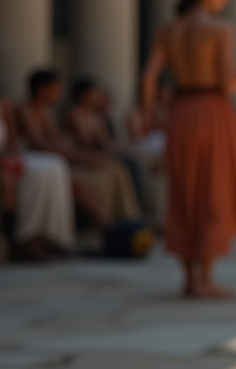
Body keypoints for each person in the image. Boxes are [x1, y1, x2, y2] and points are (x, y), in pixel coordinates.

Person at [141, 0, 236, 299]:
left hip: (181, 113)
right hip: (212, 112)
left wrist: (150, 115)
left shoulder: (169, 29)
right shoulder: (220, 28)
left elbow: (149, 77)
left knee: (183, 192)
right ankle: (205, 278)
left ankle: (187, 278)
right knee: (213, 191)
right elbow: (226, 82)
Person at [17, 69, 138, 228]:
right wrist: (91, 158)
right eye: (56, 87)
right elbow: (41, 145)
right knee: (100, 173)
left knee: (116, 168)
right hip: (44, 166)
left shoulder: (46, 114)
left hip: (59, 162)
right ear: (42, 88)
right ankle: (108, 227)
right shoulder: (26, 110)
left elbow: (58, 143)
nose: (59, 92)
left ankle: (127, 219)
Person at [0, 96, 74, 260]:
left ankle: (51, 238)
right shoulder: (25, 109)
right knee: (36, 174)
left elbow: (12, 143)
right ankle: (27, 239)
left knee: (55, 164)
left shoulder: (5, 104)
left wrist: (11, 158)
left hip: (5, 158)